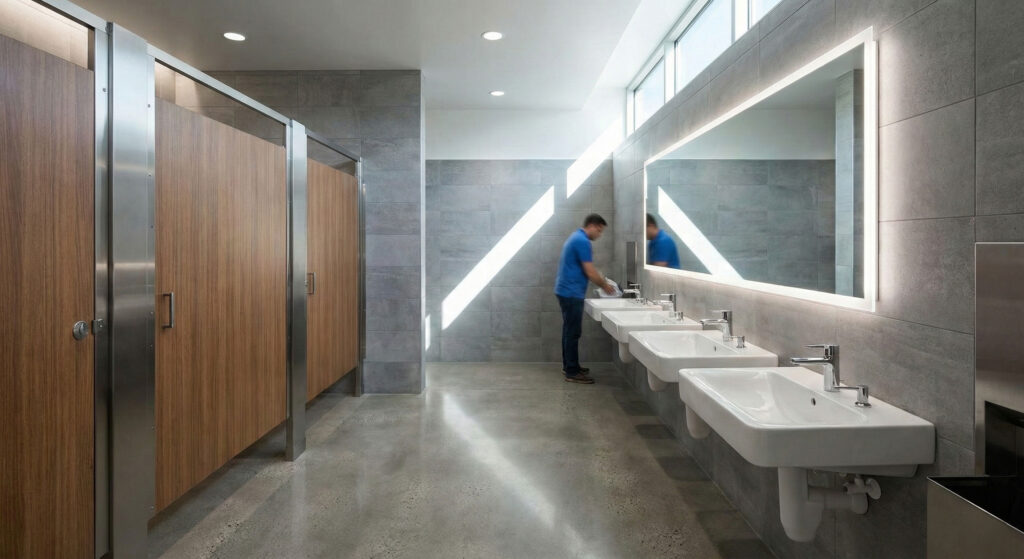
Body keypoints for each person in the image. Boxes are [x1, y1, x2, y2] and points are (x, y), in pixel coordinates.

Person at [554, 214, 615, 384]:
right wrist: (605, 285)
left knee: (569, 331)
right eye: (599, 231)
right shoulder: (582, 241)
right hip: (571, 292)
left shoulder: (576, 237)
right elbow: (589, 271)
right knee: (573, 332)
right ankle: (572, 372)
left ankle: (569, 366)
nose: (599, 234)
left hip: (566, 290)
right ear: (593, 226)